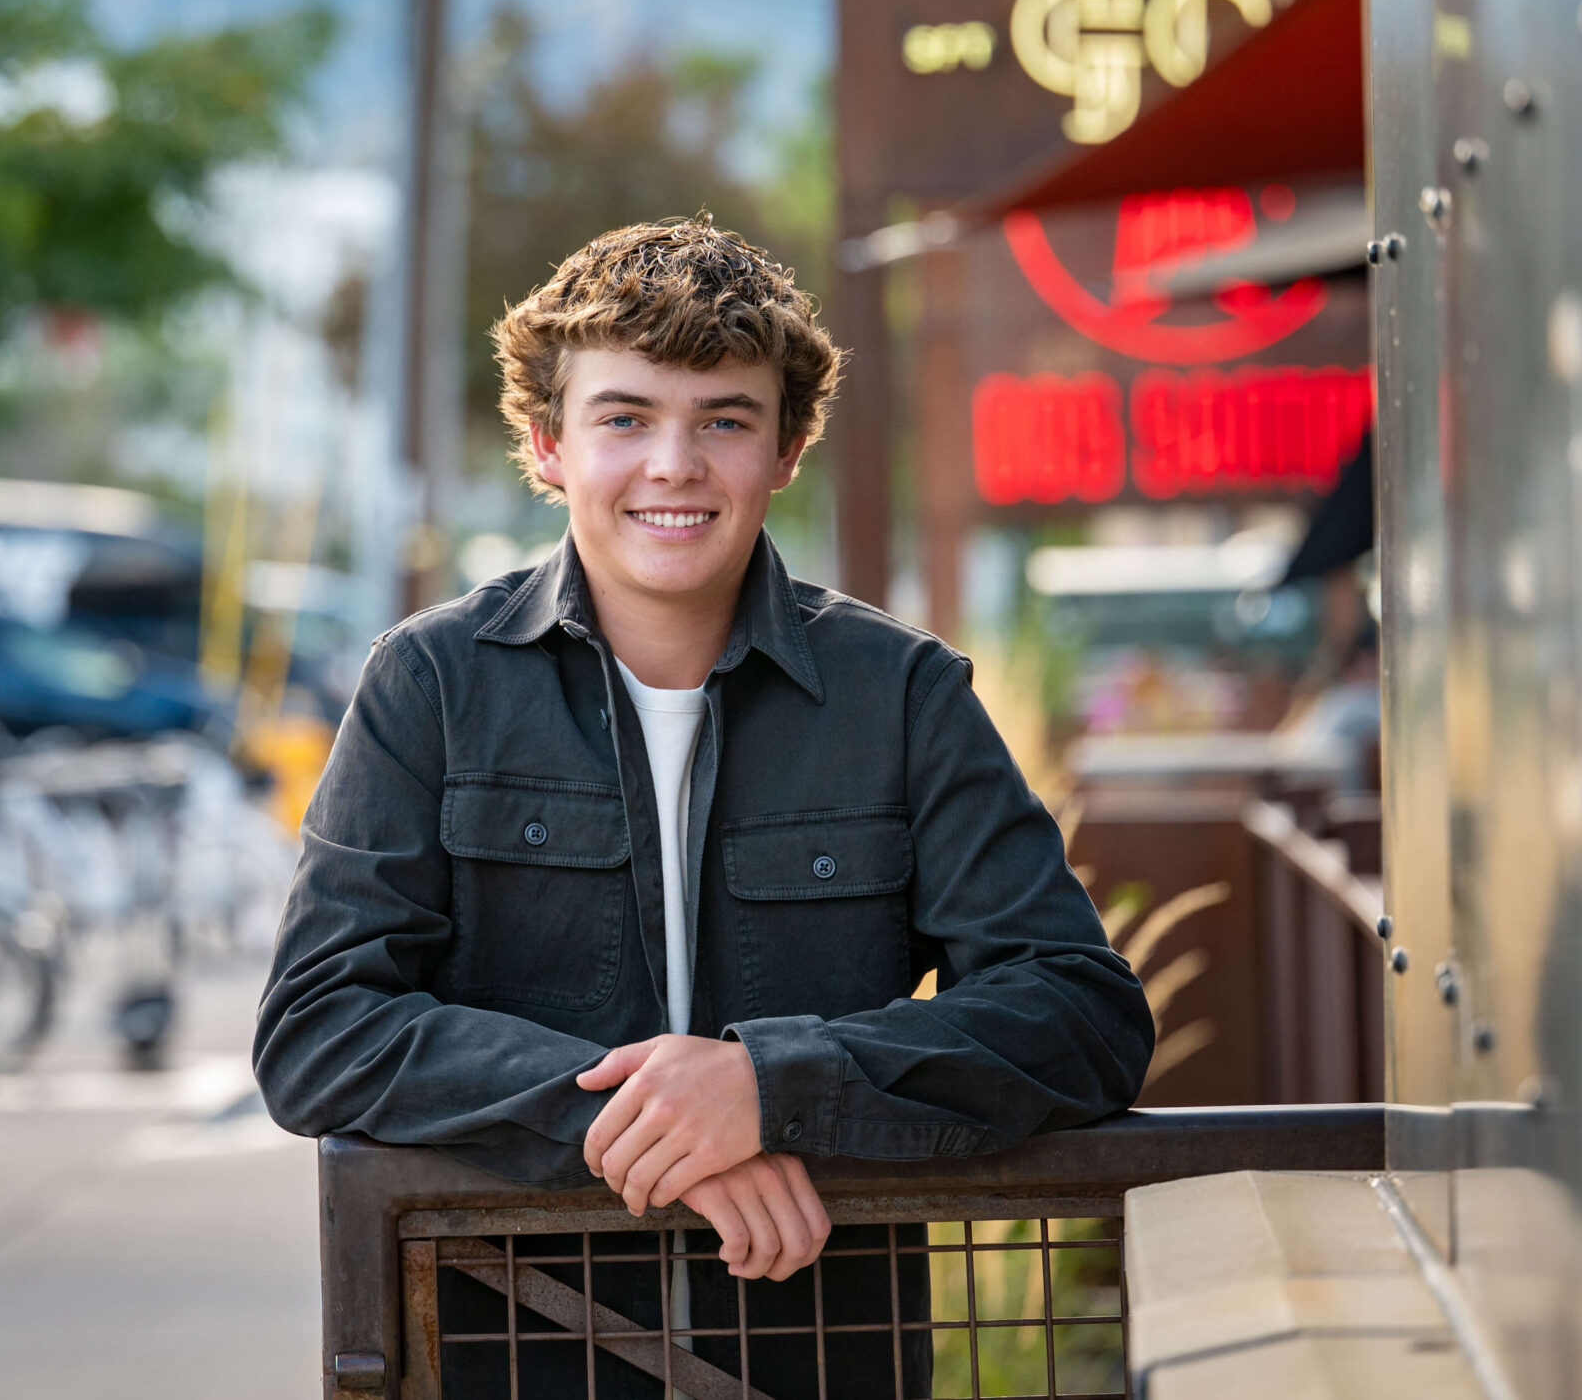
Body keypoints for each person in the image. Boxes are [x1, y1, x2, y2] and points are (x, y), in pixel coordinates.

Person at [254, 216, 1153, 1397]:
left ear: (784, 451)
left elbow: (1081, 1016)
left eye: (722, 420)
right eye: (624, 419)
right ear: (549, 446)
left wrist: (775, 1087)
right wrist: (648, 1126)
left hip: (821, 1364)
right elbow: (318, 1026)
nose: (672, 465)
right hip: (514, 1364)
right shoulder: (430, 686)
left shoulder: (899, 696)